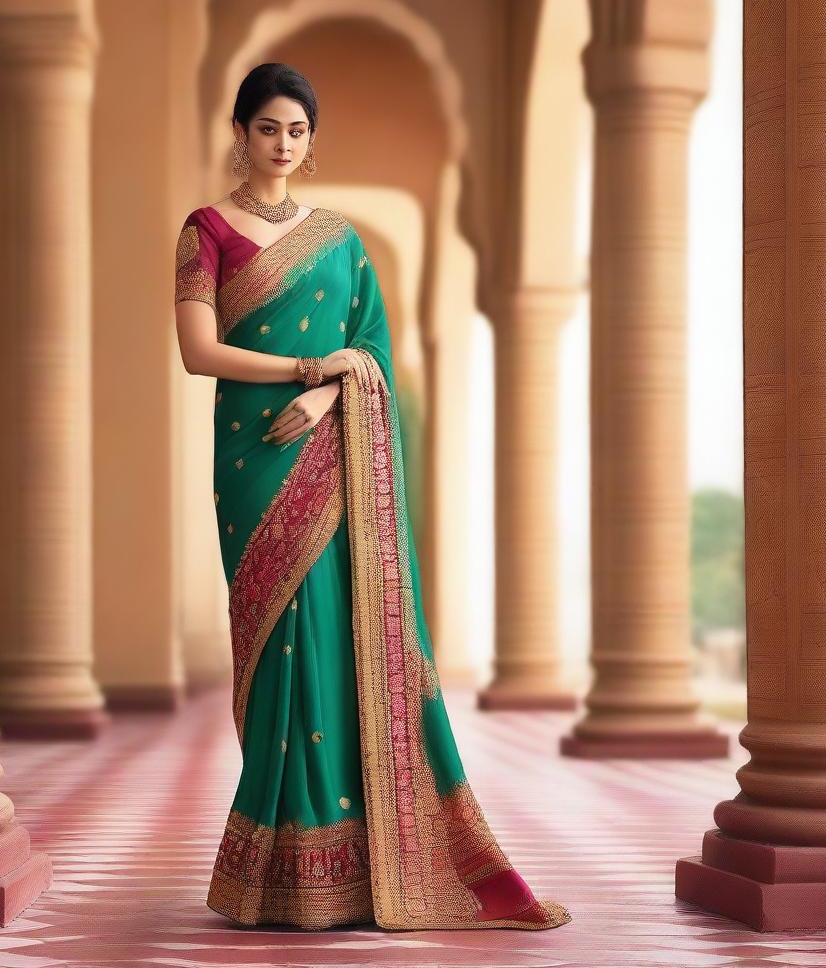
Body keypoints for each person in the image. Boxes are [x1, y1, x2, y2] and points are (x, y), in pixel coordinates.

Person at [173, 61, 571, 933]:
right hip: (251, 458)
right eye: (269, 126)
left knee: (329, 633)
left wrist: (326, 394)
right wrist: (308, 369)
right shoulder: (204, 231)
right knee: (276, 644)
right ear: (240, 132)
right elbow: (199, 352)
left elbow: (371, 354)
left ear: (310, 143)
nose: (283, 143)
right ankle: (279, 860)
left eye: (298, 130)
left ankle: (345, 864)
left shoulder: (340, 241)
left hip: (329, 451)